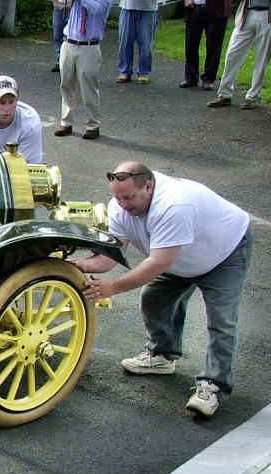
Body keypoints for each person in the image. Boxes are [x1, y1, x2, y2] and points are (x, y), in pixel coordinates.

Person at [76, 162, 252, 419]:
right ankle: (162, 355)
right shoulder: (119, 207)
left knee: (221, 321)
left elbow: (158, 263)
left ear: (148, 186)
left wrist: (112, 287)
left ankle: (214, 386)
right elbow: (109, 257)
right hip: (181, 256)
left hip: (225, 253)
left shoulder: (173, 205)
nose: (122, 204)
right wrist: (76, 264)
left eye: (128, 197)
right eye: (117, 197)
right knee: (154, 298)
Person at [53, 0, 113, 141]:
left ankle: (92, 125)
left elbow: (97, 9)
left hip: (89, 46)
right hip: (69, 42)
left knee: (88, 87)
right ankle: (66, 122)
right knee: (66, 84)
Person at [109, 0, 178, 84]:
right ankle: (124, 72)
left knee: (145, 42)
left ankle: (144, 72)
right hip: (128, 7)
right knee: (125, 42)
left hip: (148, 9)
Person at [178, 0, 238, 90]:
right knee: (190, 45)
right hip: (195, 9)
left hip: (215, 11)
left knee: (213, 46)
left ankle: (208, 79)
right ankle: (191, 77)